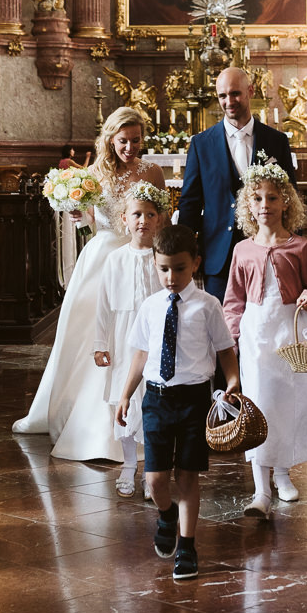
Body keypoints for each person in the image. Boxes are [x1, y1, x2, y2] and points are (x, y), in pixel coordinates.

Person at [13, 107, 166, 460]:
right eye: (123, 141)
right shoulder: (94, 173)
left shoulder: (152, 171)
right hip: (103, 257)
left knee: (138, 331)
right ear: (111, 140)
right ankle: (86, 416)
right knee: (91, 331)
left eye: (136, 140)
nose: (130, 147)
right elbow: (93, 223)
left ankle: (142, 412)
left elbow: (163, 217)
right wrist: (79, 213)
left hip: (142, 256)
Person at [224, 158, 307, 517]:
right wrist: (231, 339)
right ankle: (260, 490)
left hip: (289, 331)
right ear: (248, 205)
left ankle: (283, 474)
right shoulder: (242, 250)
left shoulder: (301, 247)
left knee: (286, 403)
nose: (265, 206)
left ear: (286, 203)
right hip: (256, 334)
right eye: (258, 199)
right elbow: (233, 301)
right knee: (259, 403)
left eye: (272, 198)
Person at [116, 223, 239, 582]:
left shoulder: (208, 306)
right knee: (154, 479)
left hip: (193, 401)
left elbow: (224, 349)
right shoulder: (151, 306)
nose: (171, 277)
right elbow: (141, 354)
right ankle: (166, 514)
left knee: (187, 475)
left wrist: (231, 380)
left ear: (196, 264)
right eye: (164, 268)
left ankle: (187, 545)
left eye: (180, 268)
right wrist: (125, 394)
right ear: (155, 263)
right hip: (155, 398)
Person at [178, 66, 296, 300]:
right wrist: (184, 253)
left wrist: (292, 247)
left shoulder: (276, 141)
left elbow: (291, 198)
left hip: (267, 249)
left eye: (235, 93)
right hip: (217, 255)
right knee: (221, 326)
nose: (228, 101)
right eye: (222, 96)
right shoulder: (201, 144)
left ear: (250, 91)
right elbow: (190, 202)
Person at [94, 181, 169, 495]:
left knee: (154, 404)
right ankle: (128, 464)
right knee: (124, 403)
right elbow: (104, 304)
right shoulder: (115, 259)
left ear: (159, 219)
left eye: (150, 214)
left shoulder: (163, 257)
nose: (143, 220)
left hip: (158, 339)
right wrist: (100, 344)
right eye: (137, 214)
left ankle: (152, 469)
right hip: (125, 339)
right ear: (124, 218)